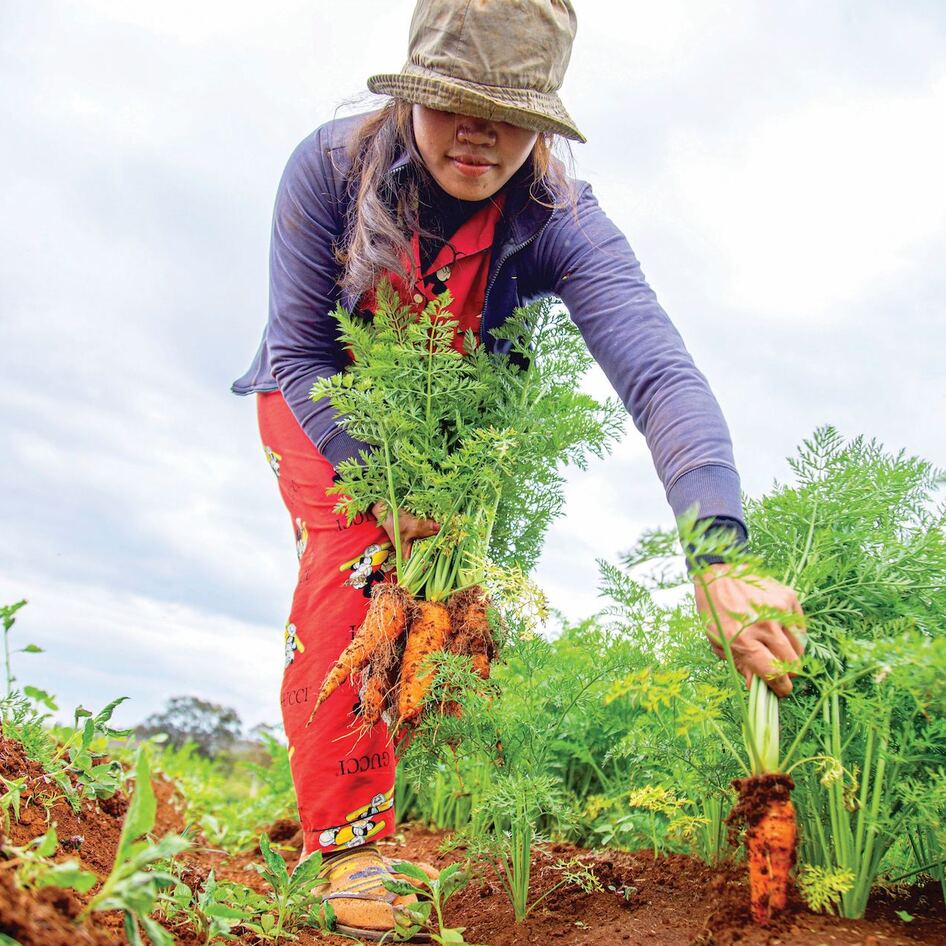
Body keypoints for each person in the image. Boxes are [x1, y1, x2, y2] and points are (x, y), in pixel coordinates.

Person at [232, 0, 805, 938]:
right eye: (456, 101)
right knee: (360, 564)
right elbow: (301, 352)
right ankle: (339, 848)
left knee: (435, 622)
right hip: (320, 402)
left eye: (512, 112)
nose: (481, 133)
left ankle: (355, 796)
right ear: (415, 90)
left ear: (542, 120)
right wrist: (381, 485)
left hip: (450, 420)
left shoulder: (559, 216)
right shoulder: (330, 168)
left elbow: (659, 372)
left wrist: (718, 552)